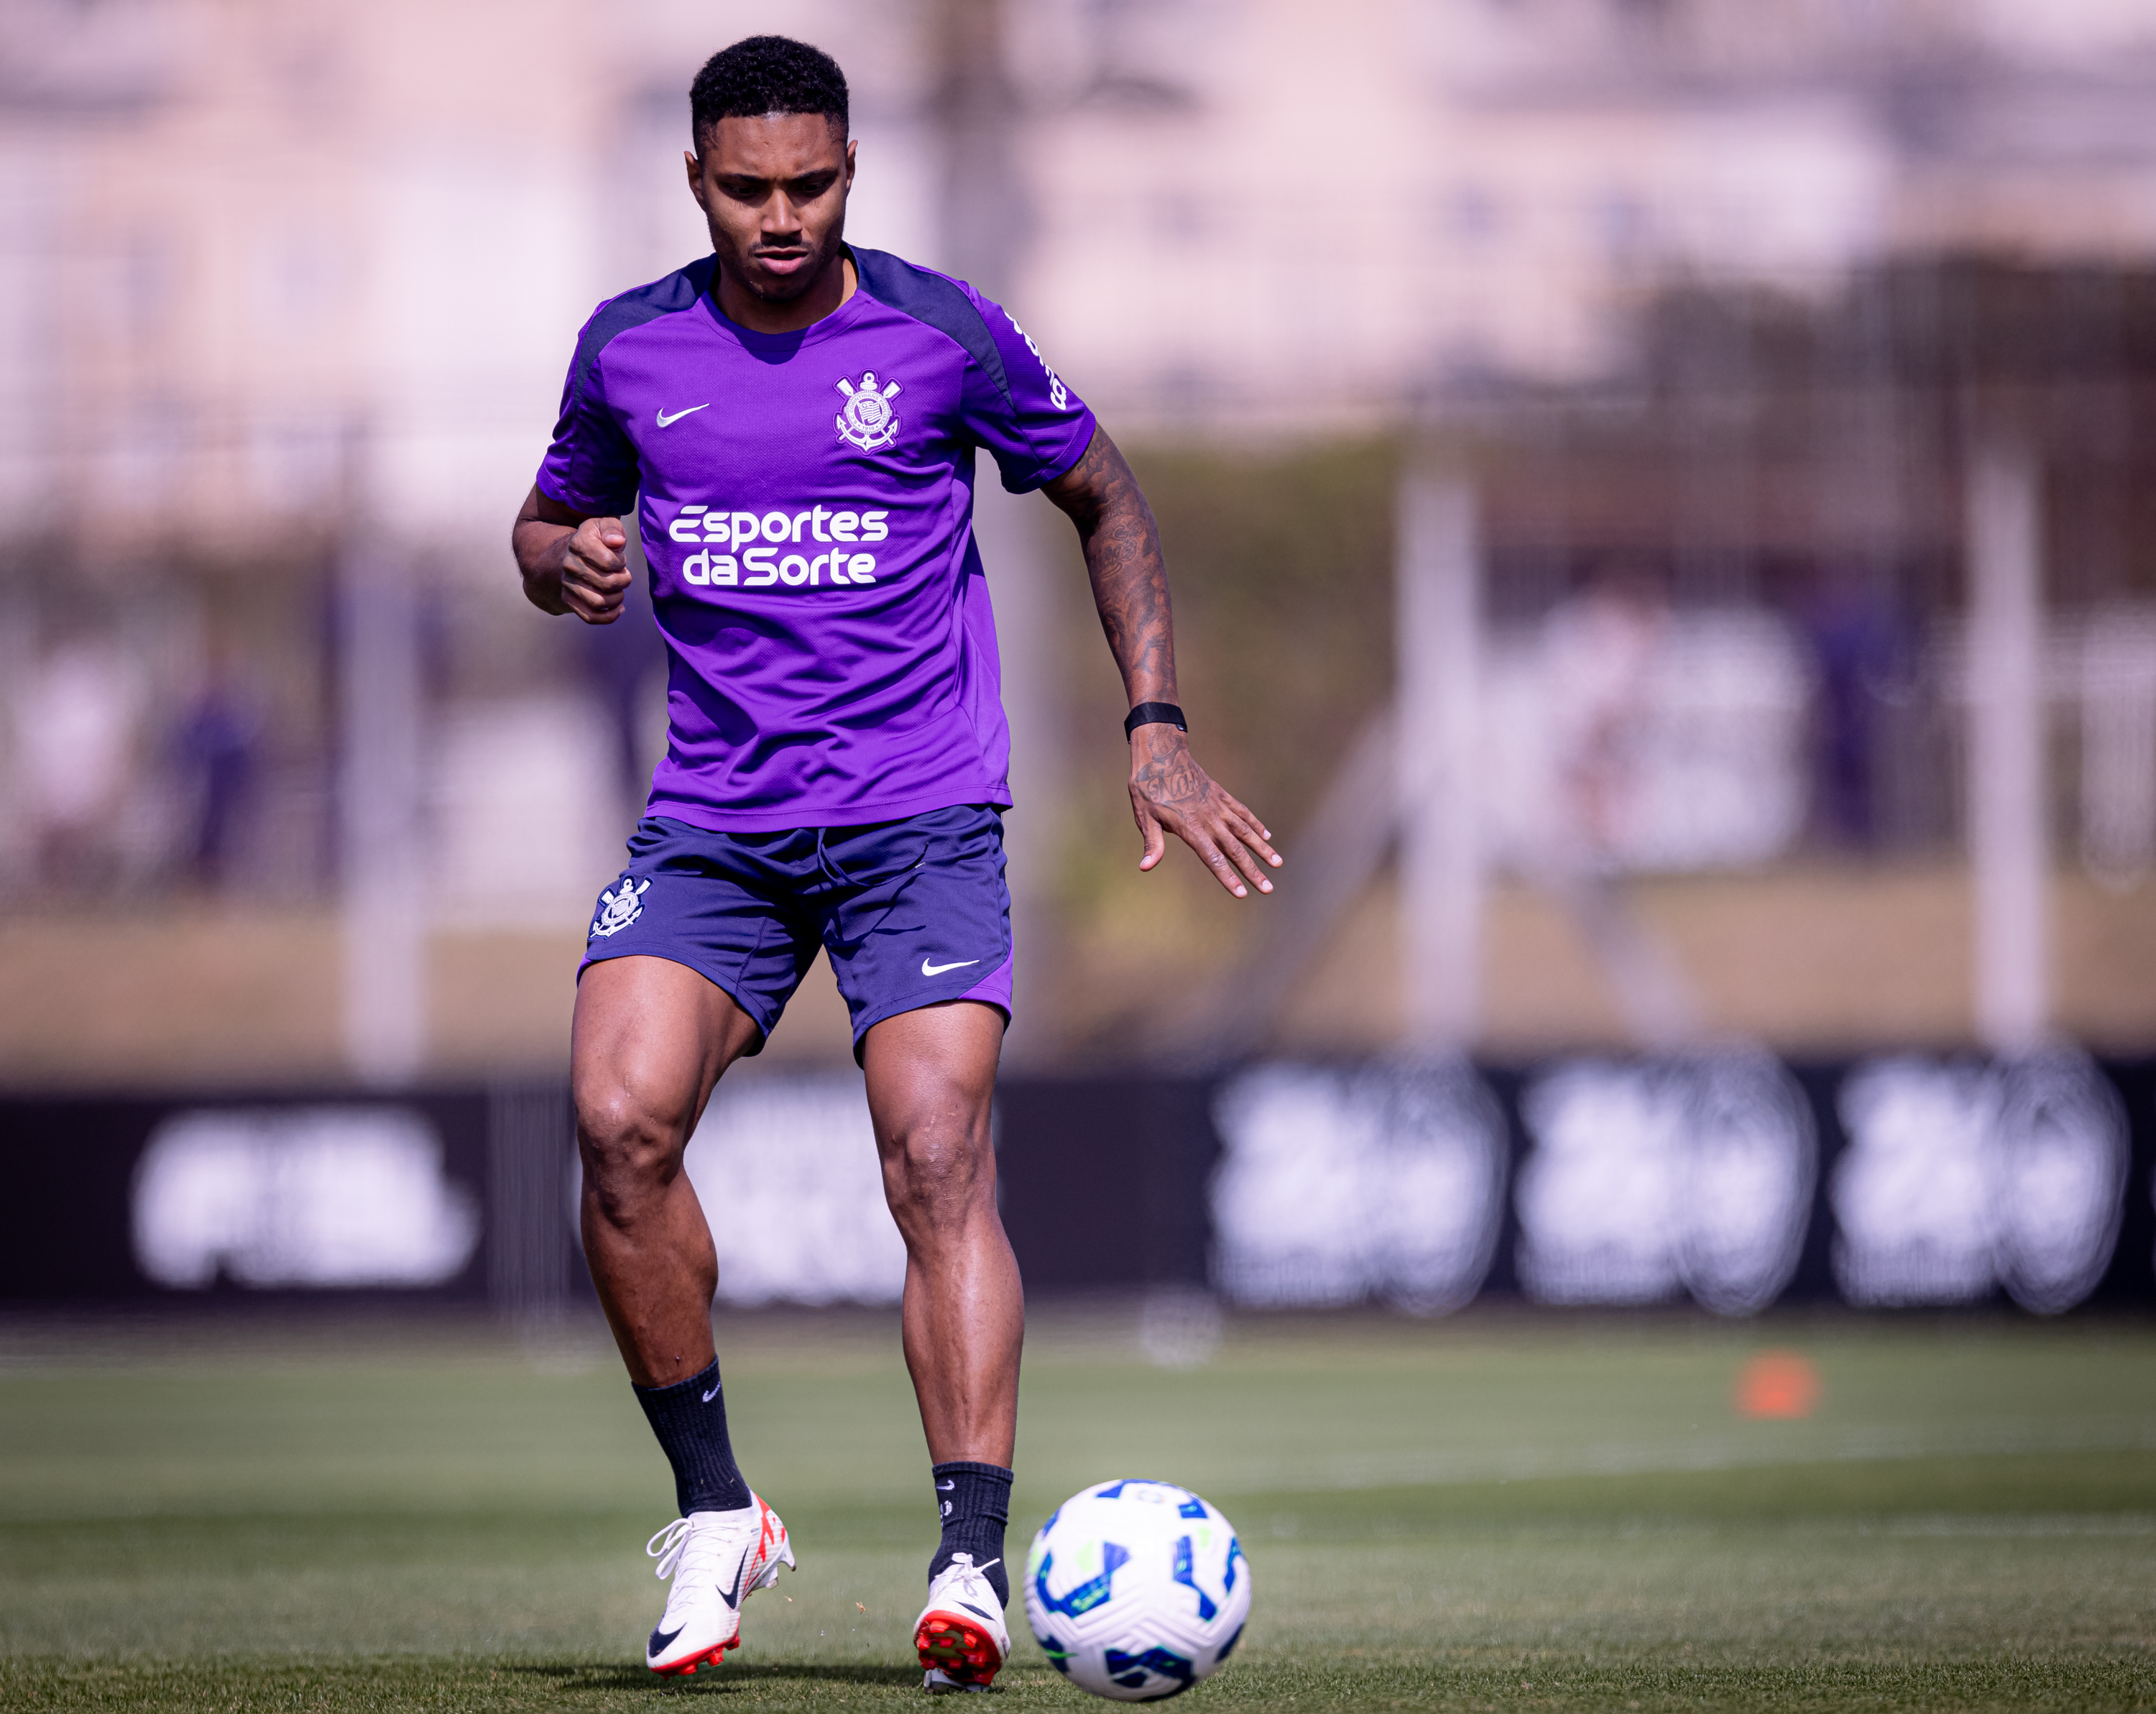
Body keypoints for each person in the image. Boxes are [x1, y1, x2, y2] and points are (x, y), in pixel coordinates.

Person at [509, 34, 1278, 1695]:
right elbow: (543, 519)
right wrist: (563, 556)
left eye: (812, 183)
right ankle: (719, 1510)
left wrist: (1155, 721)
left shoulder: (942, 334)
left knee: (935, 1155)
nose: (782, 216)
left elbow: (1105, 494)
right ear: (697, 181)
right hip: (714, 821)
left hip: (917, 817)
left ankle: (969, 1559)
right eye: (748, 188)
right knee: (617, 1122)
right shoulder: (630, 347)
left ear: (851, 170)